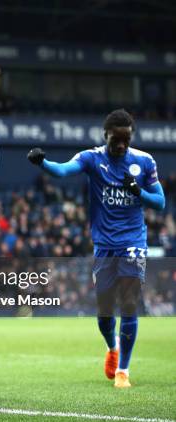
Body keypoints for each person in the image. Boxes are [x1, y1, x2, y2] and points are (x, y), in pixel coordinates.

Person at [27, 109, 165, 388]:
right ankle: (112, 347)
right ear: (106, 135)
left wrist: (139, 192)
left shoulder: (144, 161)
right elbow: (64, 170)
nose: (122, 145)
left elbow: (159, 202)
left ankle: (123, 370)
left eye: (126, 139)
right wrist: (43, 163)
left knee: (128, 305)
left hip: (133, 242)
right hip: (104, 245)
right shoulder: (92, 158)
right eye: (117, 139)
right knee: (104, 314)